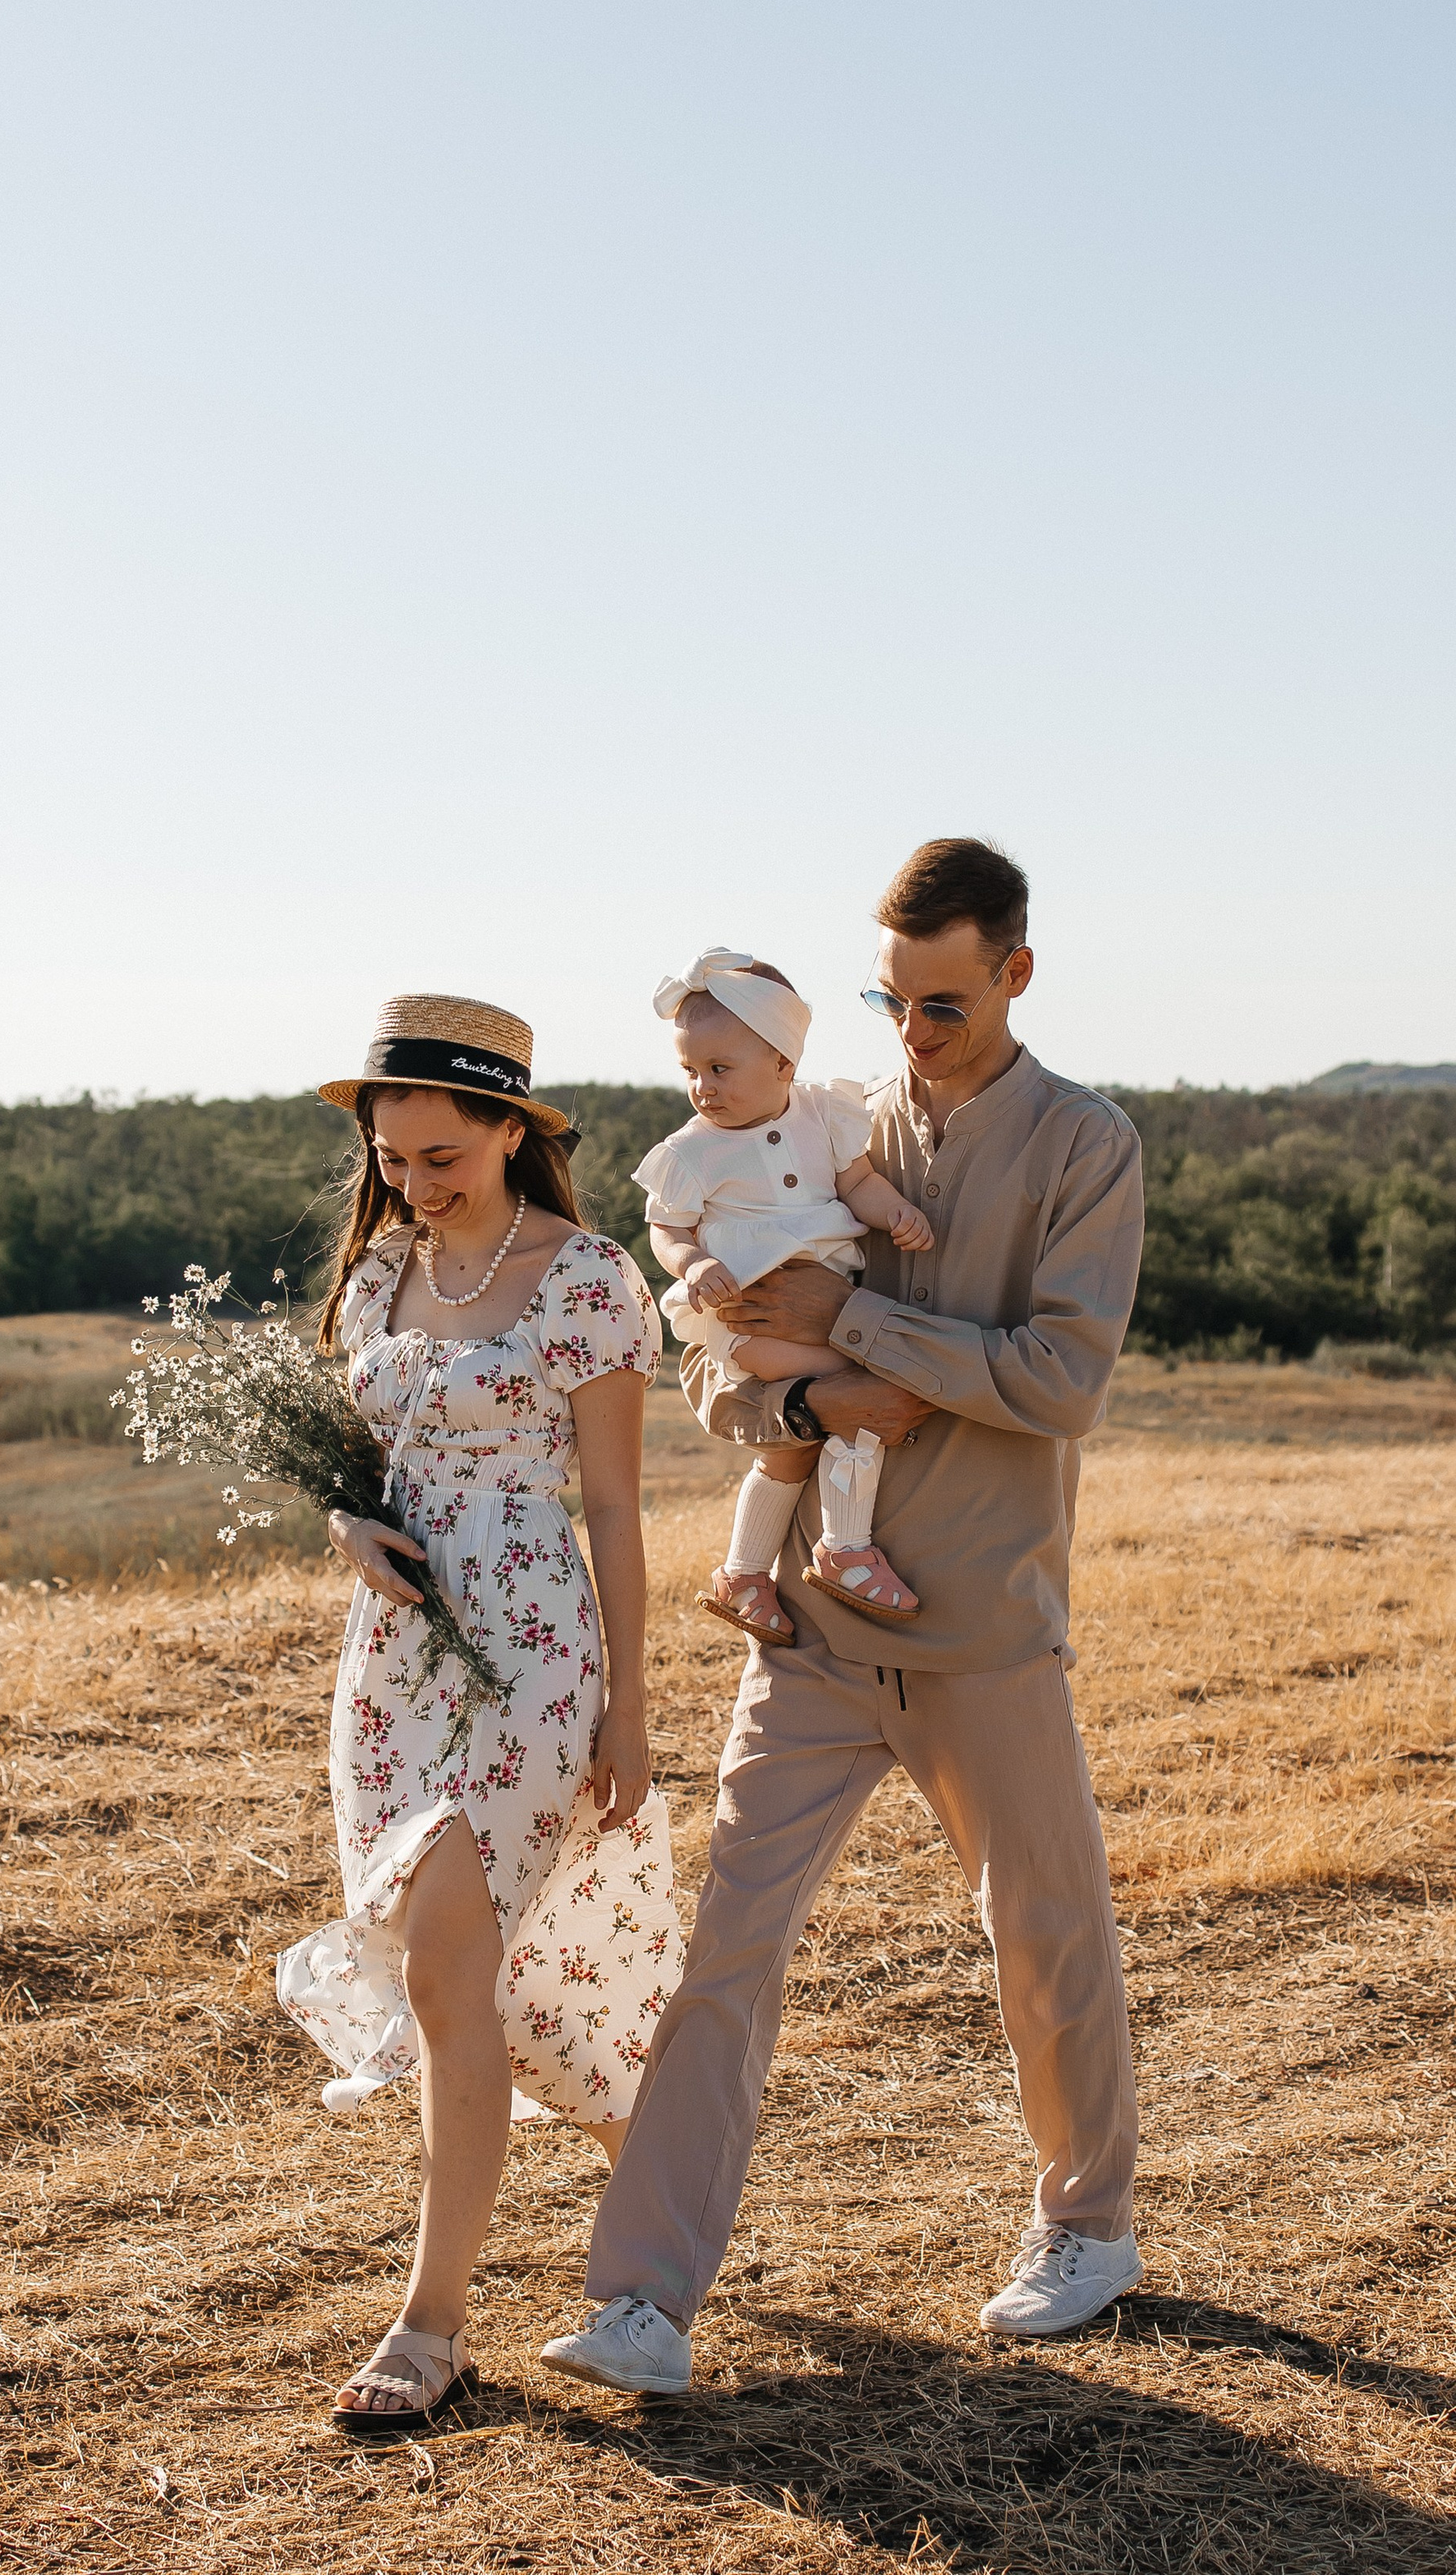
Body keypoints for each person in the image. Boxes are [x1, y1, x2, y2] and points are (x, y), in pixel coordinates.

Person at [541, 839, 1148, 2393]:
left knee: (1046, 1938)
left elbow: (1058, 1383)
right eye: (891, 1000)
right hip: (809, 1626)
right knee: (724, 1960)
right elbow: (712, 1364)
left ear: (1015, 971)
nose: (913, 1035)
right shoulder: (819, 1127)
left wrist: (856, 1321)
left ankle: (1086, 2227)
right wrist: (792, 1381)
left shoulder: (1087, 1147)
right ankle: (645, 2298)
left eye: (942, 1003)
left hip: (985, 1631)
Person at [276, 994, 676, 2433]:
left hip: (532, 1650)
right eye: (393, 1156)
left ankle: (431, 2324)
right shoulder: (379, 1278)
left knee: (451, 1968)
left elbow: (618, 1507)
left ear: (514, 1130)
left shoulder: (585, 1278)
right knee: (478, 1979)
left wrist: (633, 1705)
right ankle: (672, 2190)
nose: (414, 1180)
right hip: (391, 1665)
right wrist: (343, 1522)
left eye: (442, 1153)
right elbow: (360, 1465)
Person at [638, 947, 936, 1639]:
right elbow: (667, 1229)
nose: (702, 1088)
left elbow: (857, 1184)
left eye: (719, 1069)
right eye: (690, 1071)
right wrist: (688, 1266)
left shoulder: (825, 1115)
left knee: (791, 1450)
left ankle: (744, 1573)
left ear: (783, 1062)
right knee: (864, 1395)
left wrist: (894, 1211)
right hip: (753, 1318)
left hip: (825, 1309)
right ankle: (846, 1548)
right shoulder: (692, 1150)